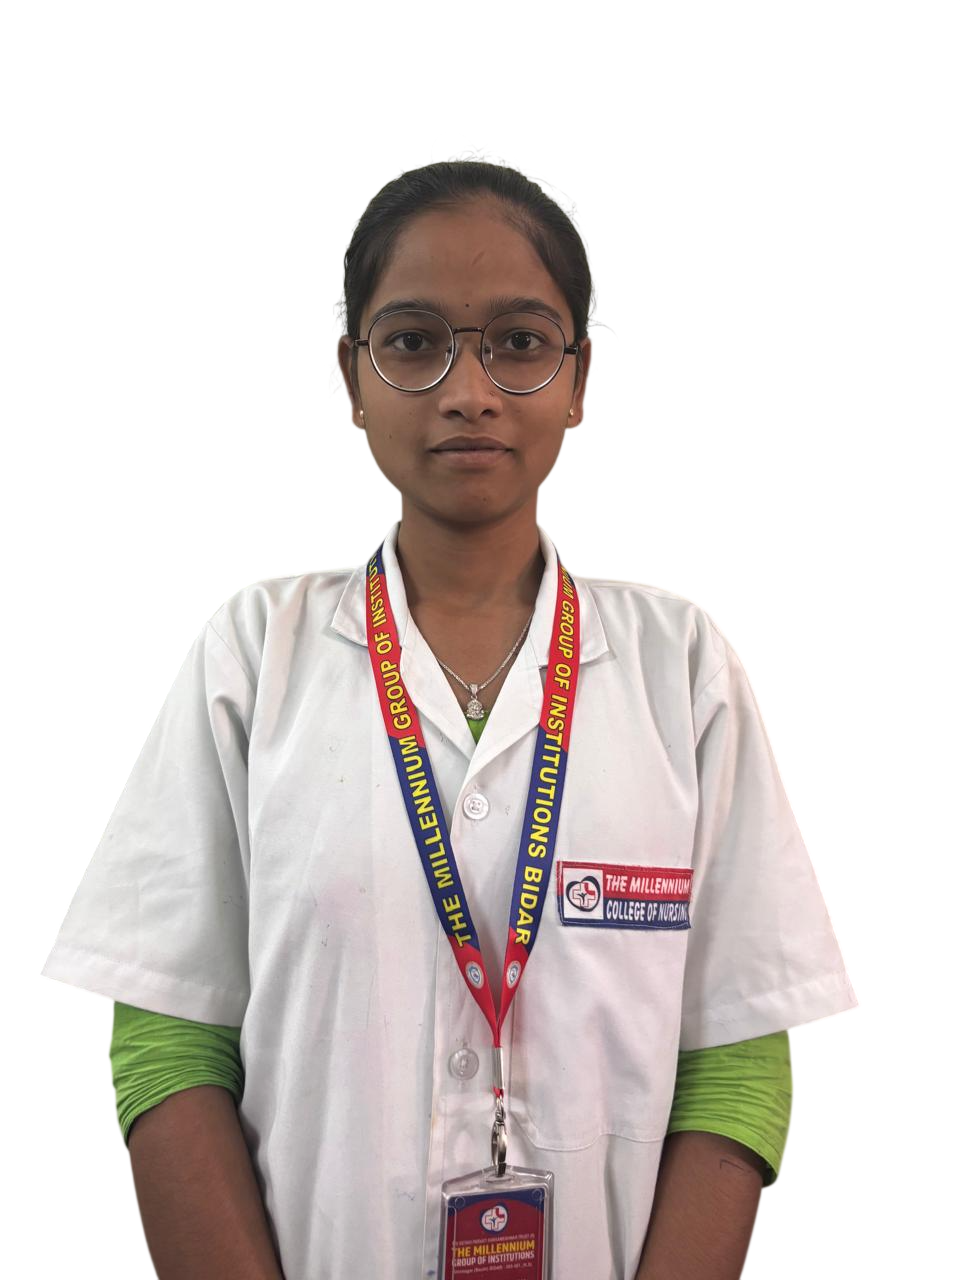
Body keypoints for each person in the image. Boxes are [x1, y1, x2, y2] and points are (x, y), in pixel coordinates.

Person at [36, 149, 861, 1280]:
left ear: (579, 381)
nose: (469, 390)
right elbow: (168, 1041)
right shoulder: (251, 651)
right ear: (348, 376)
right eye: (415, 341)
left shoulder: (685, 666)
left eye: (519, 342)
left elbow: (738, 1062)